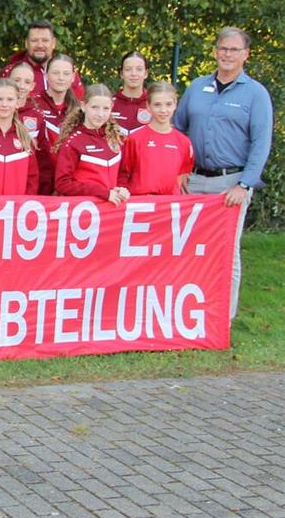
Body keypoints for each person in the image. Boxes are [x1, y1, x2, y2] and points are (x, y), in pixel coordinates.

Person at [173, 27, 274, 319]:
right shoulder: (197, 87)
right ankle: (189, 315)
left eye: (234, 50)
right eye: (223, 49)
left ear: (246, 55)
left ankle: (221, 319)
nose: (228, 54)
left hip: (231, 183)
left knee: (226, 253)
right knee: (188, 249)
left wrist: (244, 184)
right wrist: (179, 172)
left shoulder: (255, 93)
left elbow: (261, 143)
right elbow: (178, 131)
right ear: (216, 52)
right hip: (194, 181)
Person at [53, 84, 129, 205]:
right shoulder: (73, 142)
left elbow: (123, 173)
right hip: (83, 212)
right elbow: (62, 184)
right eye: (94, 107)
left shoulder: (117, 138)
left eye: (106, 108)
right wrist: (102, 192)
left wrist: (121, 189)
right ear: (83, 106)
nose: (100, 114)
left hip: (112, 213)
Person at [118, 81, 194, 196]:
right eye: (157, 105)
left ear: (175, 105)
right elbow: (123, 175)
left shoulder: (184, 142)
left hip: (169, 206)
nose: (163, 110)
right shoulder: (134, 139)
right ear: (148, 106)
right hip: (139, 206)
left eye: (168, 104)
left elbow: (181, 177)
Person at [0, 19, 84, 99]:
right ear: (26, 43)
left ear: (53, 43)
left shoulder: (66, 72)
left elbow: (79, 106)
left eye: (45, 40)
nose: (40, 45)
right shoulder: (11, 72)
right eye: (34, 40)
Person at [9, 61, 55, 195]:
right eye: (16, 80)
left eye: (27, 82)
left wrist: (43, 191)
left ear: (32, 86)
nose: (21, 86)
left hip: (27, 187)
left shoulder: (37, 116)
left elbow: (43, 159)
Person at [37, 54, 81, 149]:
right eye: (56, 73)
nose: (61, 78)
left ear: (73, 77)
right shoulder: (34, 105)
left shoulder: (80, 110)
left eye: (66, 73)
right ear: (46, 75)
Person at [112, 51, 150, 136]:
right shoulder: (110, 104)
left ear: (146, 73)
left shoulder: (153, 104)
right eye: (128, 69)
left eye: (139, 69)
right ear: (121, 73)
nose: (133, 74)